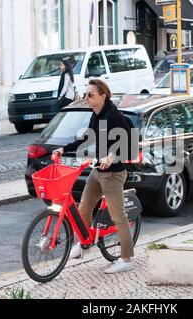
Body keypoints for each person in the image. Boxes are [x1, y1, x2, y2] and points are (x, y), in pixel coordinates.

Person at [53, 79, 137, 274]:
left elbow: (131, 142)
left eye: (90, 95)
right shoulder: (96, 115)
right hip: (98, 170)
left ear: (102, 96)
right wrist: (64, 149)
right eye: (85, 94)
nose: (86, 98)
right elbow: (86, 138)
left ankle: (126, 259)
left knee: (119, 217)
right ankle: (84, 244)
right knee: (84, 207)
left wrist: (111, 156)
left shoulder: (114, 115)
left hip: (114, 173)